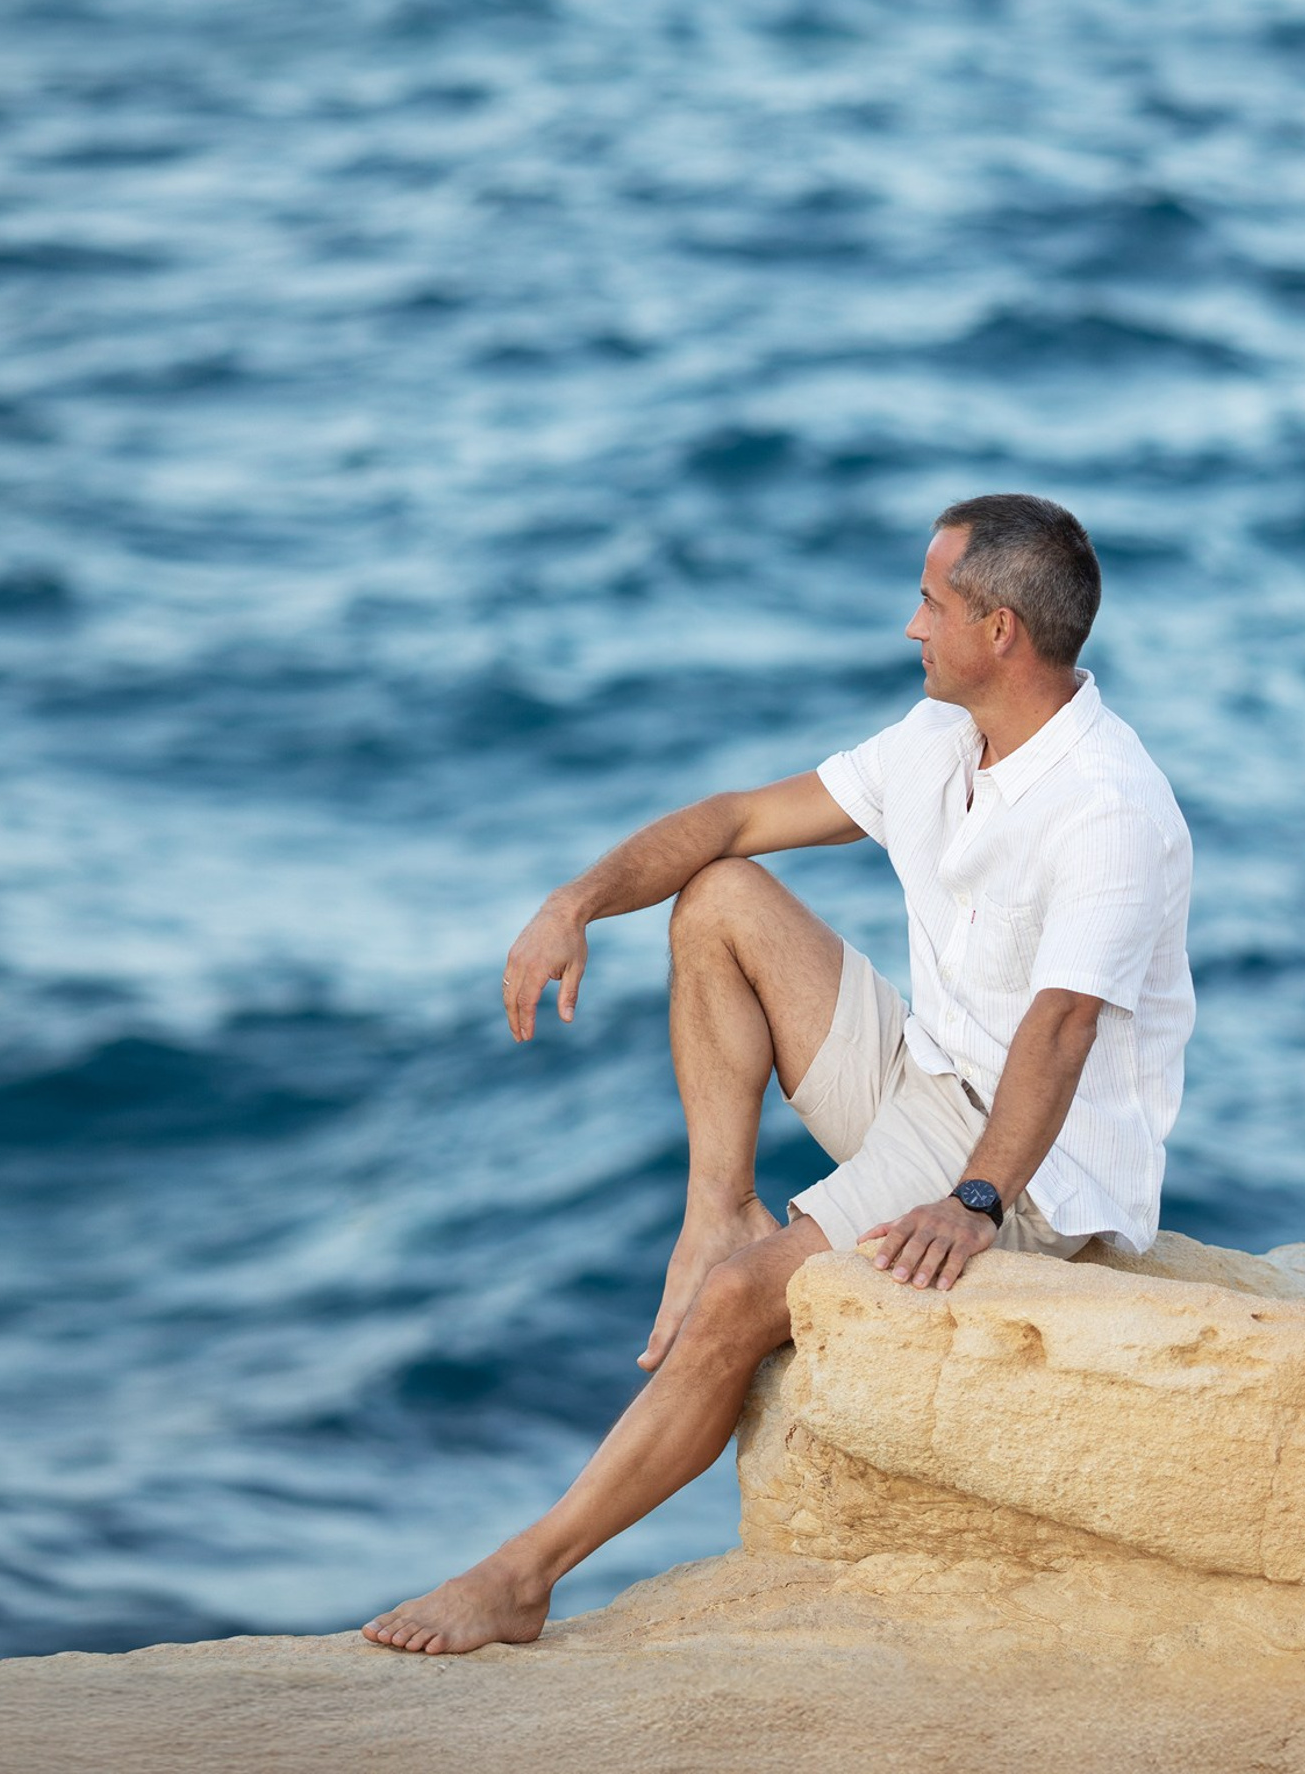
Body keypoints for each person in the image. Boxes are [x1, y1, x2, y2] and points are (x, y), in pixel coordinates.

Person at [359, 492, 1195, 1655]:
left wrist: (973, 1200)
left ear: (998, 629)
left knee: (740, 1301)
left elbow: (1059, 1031)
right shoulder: (940, 740)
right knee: (718, 899)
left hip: (1034, 1164)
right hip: (926, 1074)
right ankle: (717, 1208)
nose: (911, 625)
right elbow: (734, 818)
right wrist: (573, 903)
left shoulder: (1107, 807)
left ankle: (520, 1577)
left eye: (931, 601)